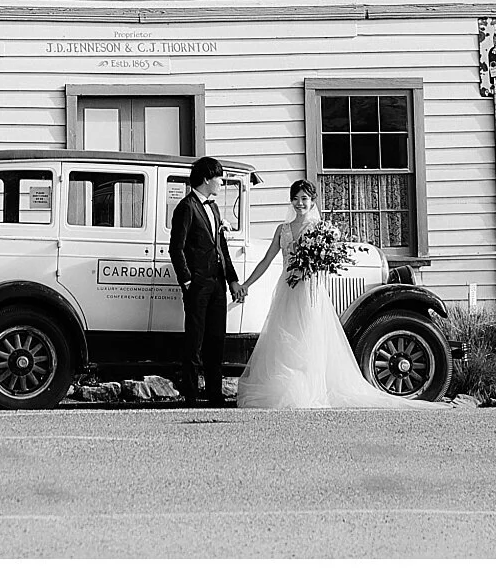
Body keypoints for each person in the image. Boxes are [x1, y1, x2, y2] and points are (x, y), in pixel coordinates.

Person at [234, 179, 429, 409]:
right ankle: (284, 386)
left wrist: (309, 268)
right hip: (287, 289)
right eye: (295, 199)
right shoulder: (282, 230)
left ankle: (310, 389)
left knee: (308, 338)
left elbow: (326, 264)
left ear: (312, 201)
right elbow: (267, 260)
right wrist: (246, 284)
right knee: (285, 337)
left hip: (309, 291)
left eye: (304, 199)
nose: (299, 203)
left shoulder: (319, 230)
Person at [167, 155, 241, 406]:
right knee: (195, 340)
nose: (222, 182)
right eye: (219, 177)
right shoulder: (186, 207)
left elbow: (221, 247)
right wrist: (187, 281)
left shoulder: (214, 208)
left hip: (217, 283)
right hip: (197, 284)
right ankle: (190, 395)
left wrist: (232, 280)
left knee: (216, 340)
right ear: (207, 179)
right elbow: (176, 248)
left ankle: (214, 394)